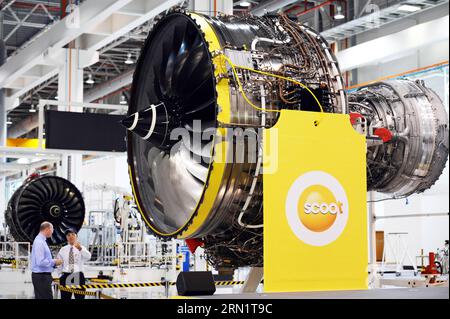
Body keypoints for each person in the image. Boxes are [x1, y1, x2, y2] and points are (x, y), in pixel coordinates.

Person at [57, 228, 91, 299]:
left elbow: (88, 256)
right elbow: (59, 263)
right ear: (66, 237)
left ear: (76, 236)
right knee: (65, 297)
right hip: (66, 275)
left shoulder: (81, 248)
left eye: (73, 234)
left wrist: (80, 249)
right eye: (68, 235)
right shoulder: (63, 250)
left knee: (80, 296)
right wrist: (60, 275)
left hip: (78, 275)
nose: (71, 236)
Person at [31, 221, 63, 299]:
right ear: (48, 229)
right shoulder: (39, 242)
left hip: (42, 276)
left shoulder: (41, 241)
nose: (53, 232)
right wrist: (54, 262)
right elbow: (40, 262)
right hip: (41, 277)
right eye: (52, 229)